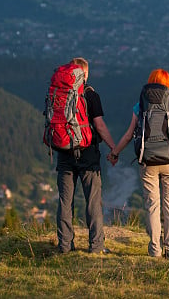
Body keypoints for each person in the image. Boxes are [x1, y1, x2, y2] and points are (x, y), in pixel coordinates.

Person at [109, 68, 169, 259]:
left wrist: (115, 153)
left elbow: (129, 134)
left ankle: (155, 249)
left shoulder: (141, 104)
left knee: (153, 205)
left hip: (148, 160)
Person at [55, 57, 117, 254]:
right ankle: (96, 246)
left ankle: (65, 245)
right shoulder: (91, 95)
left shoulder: (60, 92)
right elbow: (99, 126)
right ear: (85, 73)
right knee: (93, 201)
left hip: (64, 153)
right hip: (88, 154)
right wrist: (113, 148)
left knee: (65, 201)